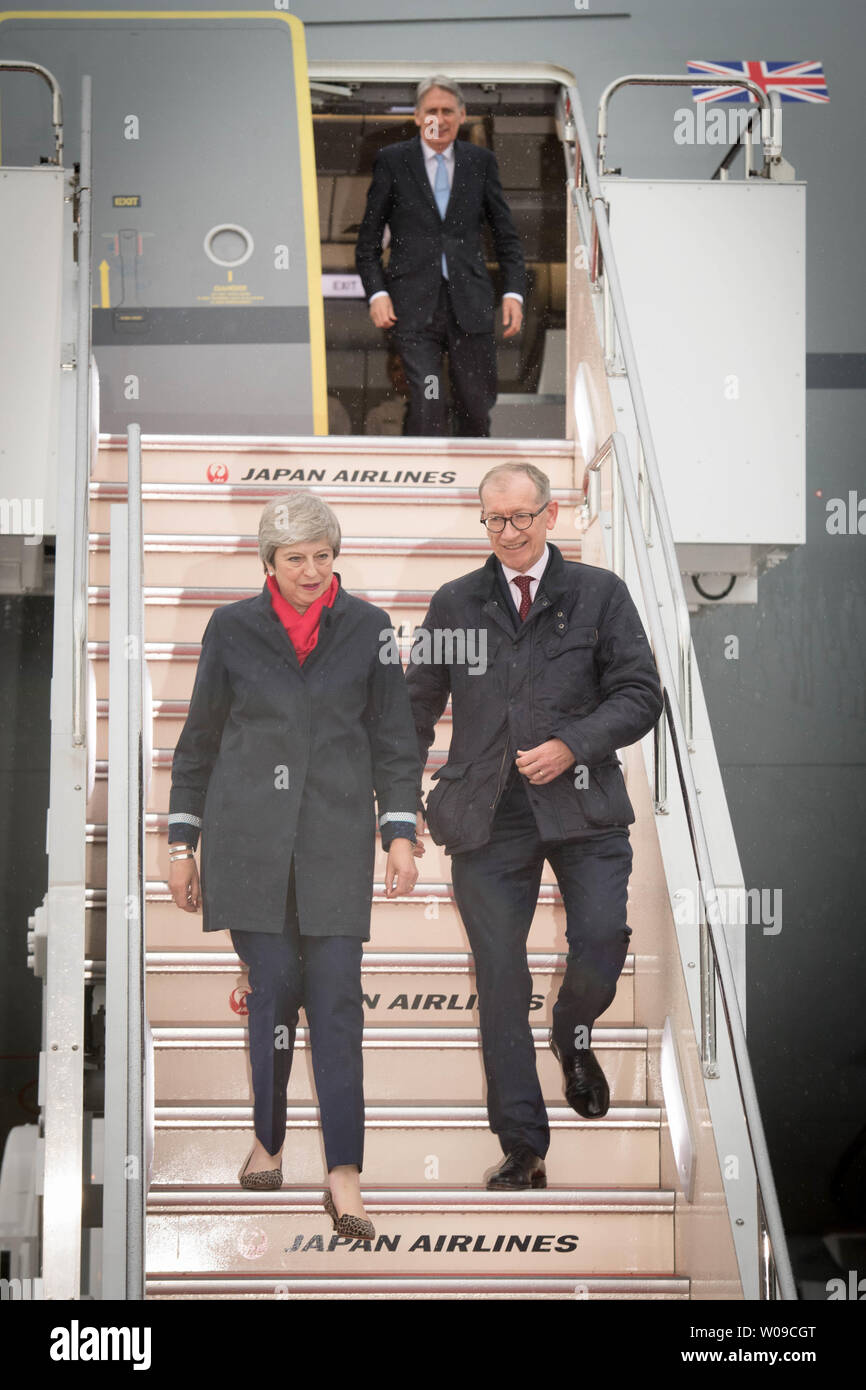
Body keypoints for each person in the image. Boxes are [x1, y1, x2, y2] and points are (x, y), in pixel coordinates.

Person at [167, 491, 422, 1239]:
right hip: (247, 844)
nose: (311, 571)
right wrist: (183, 844)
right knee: (274, 992)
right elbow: (199, 742)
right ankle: (269, 1138)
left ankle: (344, 1172)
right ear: (269, 564)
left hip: (335, 845)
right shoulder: (232, 627)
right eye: (294, 559)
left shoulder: (371, 627)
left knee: (338, 1001)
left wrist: (399, 832)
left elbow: (394, 742)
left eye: (322, 555)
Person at [405, 462, 664, 1190]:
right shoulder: (456, 603)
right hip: (488, 820)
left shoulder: (598, 595)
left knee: (602, 945)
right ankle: (523, 1144)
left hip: (583, 807)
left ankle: (573, 1033)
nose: (510, 533)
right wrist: (396, 802)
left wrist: (573, 744)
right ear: (482, 522)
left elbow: (641, 693)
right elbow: (415, 705)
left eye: (523, 517)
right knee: (500, 978)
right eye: (496, 520)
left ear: (552, 516)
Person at [355, 74, 525, 437]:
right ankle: (427, 481)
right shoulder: (393, 161)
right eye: (432, 110)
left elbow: (506, 236)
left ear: (462, 116)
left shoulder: (480, 162)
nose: (440, 118)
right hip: (414, 310)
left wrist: (514, 292)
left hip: (470, 306)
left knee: (475, 403)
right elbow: (367, 241)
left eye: (448, 111)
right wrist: (377, 293)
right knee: (429, 396)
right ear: (417, 117)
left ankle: (475, 482)